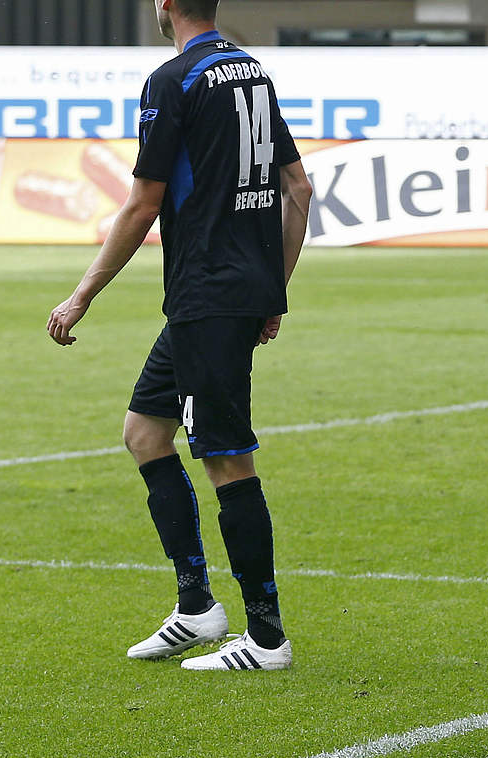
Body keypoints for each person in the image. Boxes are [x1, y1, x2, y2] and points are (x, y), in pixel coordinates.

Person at [46, 0, 312, 669]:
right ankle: (196, 607)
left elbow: (142, 202)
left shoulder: (175, 79)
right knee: (145, 433)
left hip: (207, 295)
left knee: (226, 459)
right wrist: (270, 288)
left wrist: (82, 296)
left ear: (166, 4)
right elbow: (298, 188)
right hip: (228, 294)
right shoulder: (251, 70)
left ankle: (267, 637)